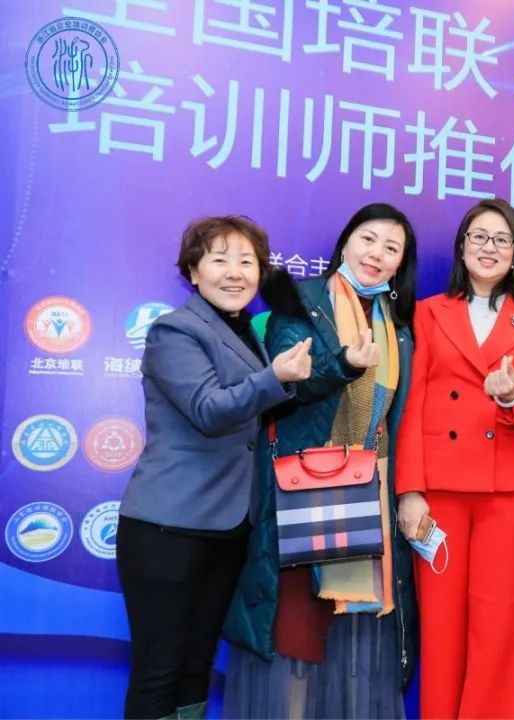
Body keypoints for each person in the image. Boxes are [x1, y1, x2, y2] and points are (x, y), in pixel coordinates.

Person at [222, 203, 420, 719]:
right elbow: (294, 384)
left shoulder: (398, 328)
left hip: (370, 499)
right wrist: (345, 364)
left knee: (353, 650)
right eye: (368, 239)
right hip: (305, 496)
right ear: (345, 241)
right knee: (299, 639)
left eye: (392, 248)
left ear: (400, 264)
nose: (377, 254)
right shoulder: (303, 301)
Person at [116, 216, 310, 719]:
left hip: (227, 526)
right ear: (193, 272)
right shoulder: (174, 331)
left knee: (197, 663)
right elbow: (208, 409)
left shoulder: (244, 331)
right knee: (160, 669)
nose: (235, 272)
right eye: (220, 259)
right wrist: (275, 377)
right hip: (168, 526)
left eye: (247, 261)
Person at [394, 197, 514, 719]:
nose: (489, 248)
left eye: (501, 240)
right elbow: (411, 406)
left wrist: (511, 397)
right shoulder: (427, 312)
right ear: (462, 247)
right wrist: (410, 490)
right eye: (479, 237)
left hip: (505, 491)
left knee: (502, 622)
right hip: (439, 490)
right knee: (441, 625)